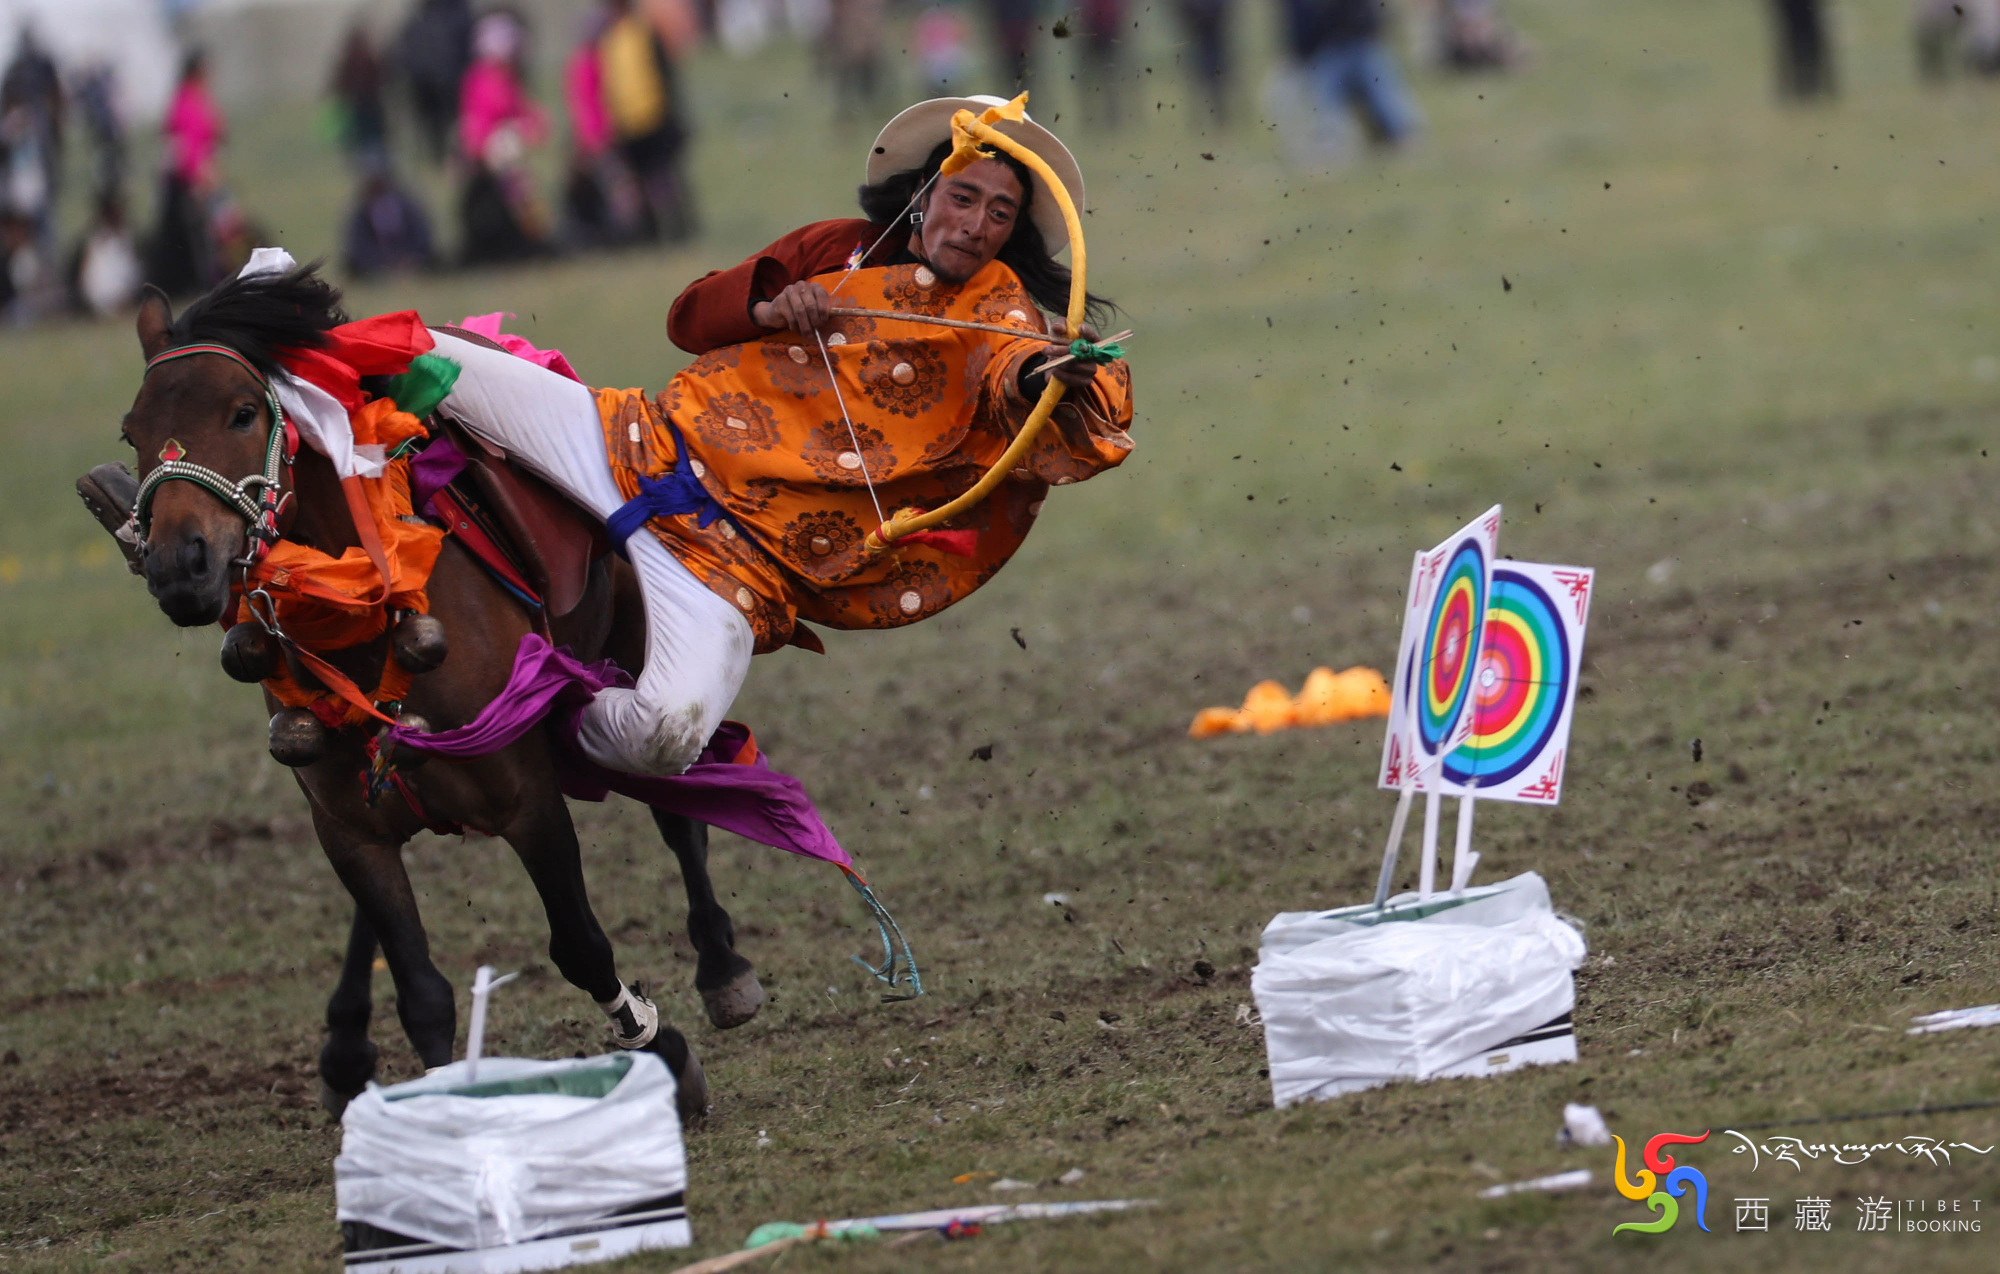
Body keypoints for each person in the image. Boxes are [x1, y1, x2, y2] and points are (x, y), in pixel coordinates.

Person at [422, 95, 1134, 780]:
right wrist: (767, 308)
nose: (976, 224)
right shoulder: (838, 247)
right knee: (420, 356)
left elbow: (1015, 365)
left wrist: (1047, 374)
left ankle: (532, 726)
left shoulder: (997, 303)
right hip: (639, 447)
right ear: (923, 194)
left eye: (1000, 211)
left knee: (664, 736)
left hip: (737, 570)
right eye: (963, 196)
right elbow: (687, 319)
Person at [456, 9, 551, 265]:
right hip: (490, 162)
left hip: (510, 163)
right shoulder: (481, 79)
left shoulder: (505, 78)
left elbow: (525, 113)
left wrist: (533, 126)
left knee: (526, 197)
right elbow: (476, 128)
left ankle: (533, 240)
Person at [597, 0, 695, 240]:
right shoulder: (608, 37)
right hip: (626, 124)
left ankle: (681, 231)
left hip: (655, 119)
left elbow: (665, 75)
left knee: (665, 181)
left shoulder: (645, 31)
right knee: (638, 185)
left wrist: (672, 116)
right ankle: (649, 235)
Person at [1280, 0, 1419, 157]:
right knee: (1325, 95)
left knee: (1381, 88)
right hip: (1326, 51)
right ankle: (1332, 140)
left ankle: (1402, 132)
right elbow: (1299, 28)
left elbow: (1371, 17)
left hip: (1361, 44)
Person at [147, 51, 226, 296]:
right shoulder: (189, 103)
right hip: (189, 182)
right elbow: (188, 146)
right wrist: (198, 178)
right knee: (195, 238)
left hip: (192, 179)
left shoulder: (189, 100)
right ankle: (202, 283)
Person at [398, 0, 474, 162]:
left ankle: (448, 158)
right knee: (441, 126)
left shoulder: (426, 13)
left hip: (439, 79)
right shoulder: (453, 12)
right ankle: (443, 158)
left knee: (447, 125)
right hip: (436, 79)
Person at [342, 163, 437, 278]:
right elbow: (359, 247)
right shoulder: (361, 214)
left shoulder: (408, 208)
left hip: (410, 260)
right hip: (376, 264)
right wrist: (382, 263)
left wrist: (410, 259)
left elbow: (422, 237)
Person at [330, 23, 391, 168]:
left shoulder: (357, 59)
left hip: (365, 106)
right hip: (362, 106)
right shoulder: (362, 59)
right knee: (366, 140)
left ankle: (372, 165)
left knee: (368, 141)